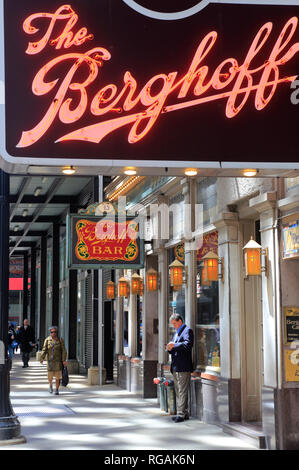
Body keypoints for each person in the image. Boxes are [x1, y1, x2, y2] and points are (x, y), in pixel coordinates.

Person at [166, 313, 194, 423]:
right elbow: (175, 347)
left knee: (182, 391)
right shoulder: (177, 333)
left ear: (180, 321)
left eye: (175, 323)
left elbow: (188, 344)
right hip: (176, 366)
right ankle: (184, 412)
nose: (174, 326)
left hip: (183, 366)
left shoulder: (187, 330)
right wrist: (169, 348)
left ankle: (180, 414)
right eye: (172, 324)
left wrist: (174, 345)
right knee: (178, 391)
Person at [40, 326, 67, 395]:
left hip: (58, 362)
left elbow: (64, 350)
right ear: (50, 333)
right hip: (50, 362)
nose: (54, 333)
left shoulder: (60, 340)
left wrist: (64, 360)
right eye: (52, 332)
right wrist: (42, 358)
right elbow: (44, 349)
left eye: (55, 332)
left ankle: (57, 389)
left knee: (58, 376)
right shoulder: (47, 340)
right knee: (50, 376)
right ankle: (51, 385)